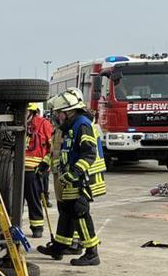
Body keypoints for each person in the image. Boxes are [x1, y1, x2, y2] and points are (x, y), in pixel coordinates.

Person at [37, 89, 107, 266]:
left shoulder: (82, 125)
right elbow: (61, 152)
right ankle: (60, 246)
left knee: (80, 213)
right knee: (66, 212)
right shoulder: (69, 127)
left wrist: (74, 173)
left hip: (80, 180)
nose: (56, 117)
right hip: (69, 179)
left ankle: (92, 253)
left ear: (68, 112)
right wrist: (46, 163)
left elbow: (89, 154)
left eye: (58, 113)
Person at [23, 102, 54, 238]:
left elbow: (52, 147)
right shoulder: (19, 124)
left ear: (32, 111)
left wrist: (45, 166)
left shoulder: (43, 124)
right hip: (17, 168)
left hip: (34, 170)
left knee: (34, 200)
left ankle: (37, 227)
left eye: (26, 111)